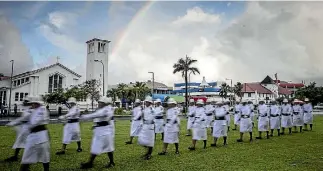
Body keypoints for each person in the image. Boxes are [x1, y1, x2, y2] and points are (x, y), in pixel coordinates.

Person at [7, 96, 50, 171]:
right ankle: (24, 168)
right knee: (27, 155)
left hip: (41, 135)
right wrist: (13, 123)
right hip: (32, 135)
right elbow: (24, 118)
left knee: (44, 155)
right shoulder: (34, 110)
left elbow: (38, 120)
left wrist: (29, 126)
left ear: (37, 103)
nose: (32, 105)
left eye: (33, 103)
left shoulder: (42, 109)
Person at [80, 97, 115, 169]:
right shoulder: (103, 109)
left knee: (102, 147)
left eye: (100, 102)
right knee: (106, 148)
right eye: (99, 102)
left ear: (104, 104)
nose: (99, 103)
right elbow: (98, 117)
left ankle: (90, 163)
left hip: (104, 132)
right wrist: (95, 125)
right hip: (102, 131)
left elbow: (95, 115)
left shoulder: (106, 110)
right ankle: (111, 162)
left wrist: (83, 116)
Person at [5, 97, 32, 162]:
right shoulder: (27, 109)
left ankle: (20, 157)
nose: (24, 103)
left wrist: (13, 123)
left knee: (24, 142)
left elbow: (24, 119)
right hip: (24, 128)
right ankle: (16, 156)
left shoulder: (30, 110)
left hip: (27, 128)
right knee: (20, 142)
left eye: (25, 102)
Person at [138, 96, 155, 160]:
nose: (146, 103)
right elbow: (142, 116)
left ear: (150, 102)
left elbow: (154, 118)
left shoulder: (152, 109)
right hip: (145, 126)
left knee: (150, 141)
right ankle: (147, 152)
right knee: (142, 139)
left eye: (147, 102)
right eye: (145, 102)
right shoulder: (145, 109)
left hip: (150, 126)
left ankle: (149, 154)